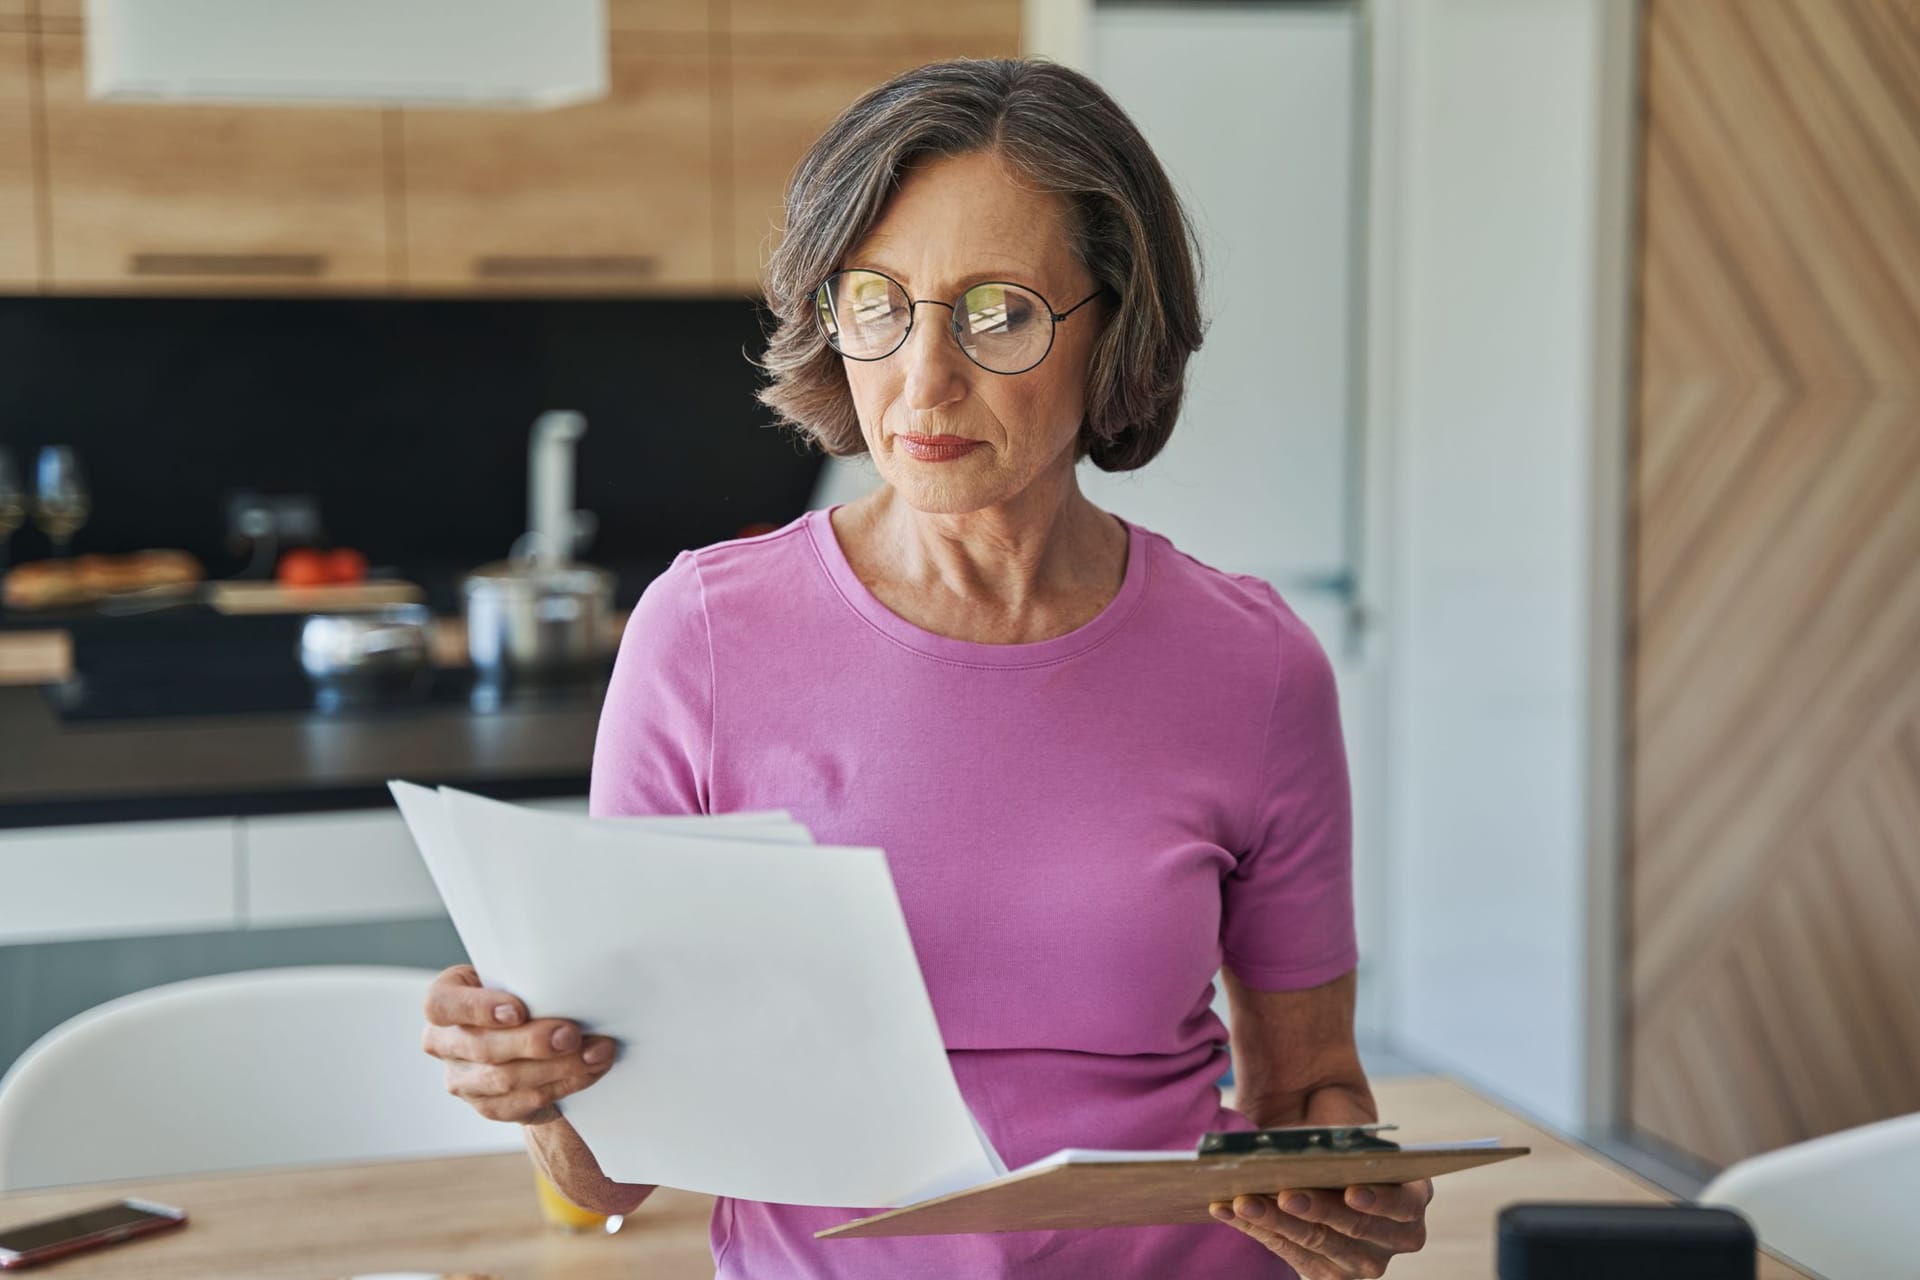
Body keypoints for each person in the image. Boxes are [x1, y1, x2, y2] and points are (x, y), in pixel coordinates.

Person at [420, 57, 1431, 1279]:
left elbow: (1309, 1089)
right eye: (878, 301)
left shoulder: (1257, 664)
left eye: (999, 311)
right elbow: (616, 1169)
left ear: (1114, 325)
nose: (925, 377)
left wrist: (1349, 1198)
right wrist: (540, 1094)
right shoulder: (702, 636)